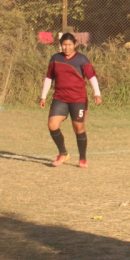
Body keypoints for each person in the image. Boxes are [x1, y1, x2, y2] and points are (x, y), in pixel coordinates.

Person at [40, 33, 102, 168]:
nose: (66, 48)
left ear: (74, 45)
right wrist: (43, 96)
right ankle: (63, 153)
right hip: (60, 98)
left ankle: (83, 158)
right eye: (64, 45)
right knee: (52, 125)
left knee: (78, 128)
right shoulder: (55, 59)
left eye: (69, 45)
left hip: (78, 99)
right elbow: (49, 78)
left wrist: (97, 93)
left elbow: (91, 77)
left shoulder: (81, 59)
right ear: (60, 45)